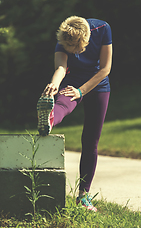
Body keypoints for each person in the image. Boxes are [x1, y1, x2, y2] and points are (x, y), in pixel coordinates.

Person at [37, 16, 112, 212]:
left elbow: (105, 68)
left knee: (90, 140)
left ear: (86, 40)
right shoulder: (65, 37)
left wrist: (82, 90)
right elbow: (61, 67)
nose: (74, 53)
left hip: (98, 83)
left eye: (76, 50)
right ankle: (49, 119)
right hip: (72, 80)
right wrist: (54, 82)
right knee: (62, 103)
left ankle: (83, 196)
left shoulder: (103, 29)